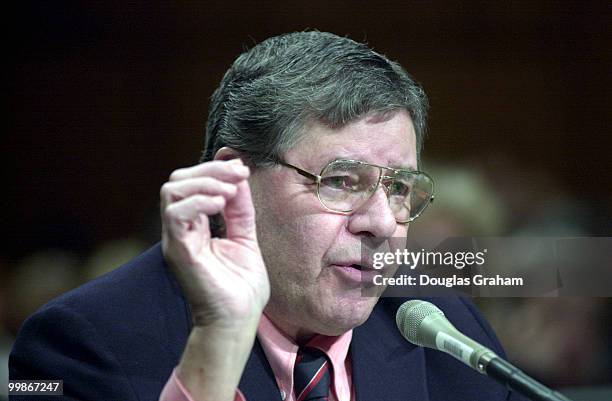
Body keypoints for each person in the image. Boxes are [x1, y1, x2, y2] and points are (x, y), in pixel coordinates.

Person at [10, 31, 526, 401]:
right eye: (342, 181)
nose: (383, 223)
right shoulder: (78, 345)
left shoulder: (438, 322)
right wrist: (218, 340)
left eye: (399, 188)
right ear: (234, 183)